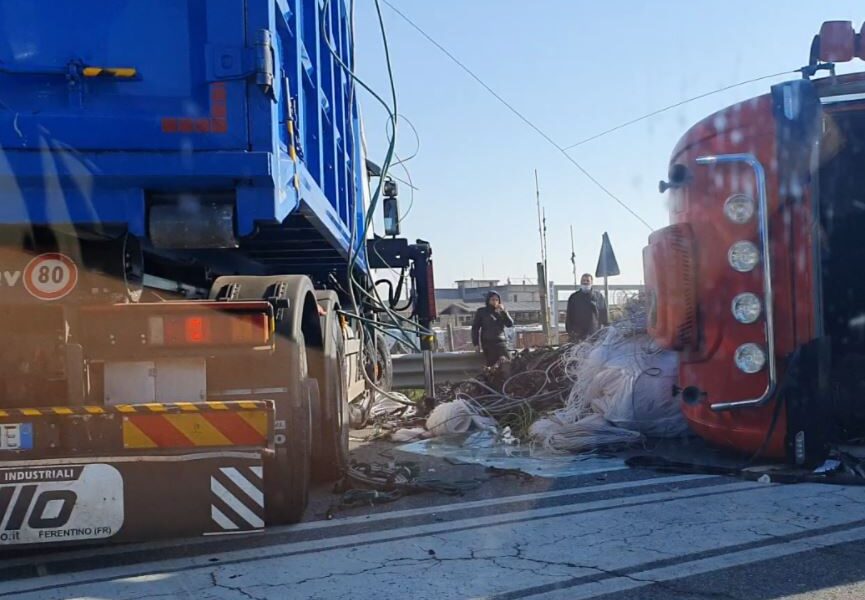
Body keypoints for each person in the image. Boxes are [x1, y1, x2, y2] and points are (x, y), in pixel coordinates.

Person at [471, 291, 514, 366]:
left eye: (497, 300)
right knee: (493, 366)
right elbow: (475, 328)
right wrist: (476, 344)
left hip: (501, 341)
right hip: (488, 343)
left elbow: (509, 324)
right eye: (493, 300)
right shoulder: (482, 312)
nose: (495, 302)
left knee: (508, 364)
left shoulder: (501, 311)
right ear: (488, 300)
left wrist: (503, 312)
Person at [566, 273, 608, 342]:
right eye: (583, 280)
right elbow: (569, 316)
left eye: (587, 281)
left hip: (594, 334)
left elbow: (604, 315)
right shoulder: (574, 297)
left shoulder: (598, 297)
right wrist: (571, 332)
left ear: (592, 282)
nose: (585, 282)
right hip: (578, 335)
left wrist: (604, 330)